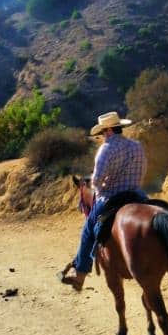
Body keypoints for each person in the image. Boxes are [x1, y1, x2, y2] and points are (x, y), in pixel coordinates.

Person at [61, 111, 147, 291]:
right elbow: (143, 170)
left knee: (88, 230)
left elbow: (97, 181)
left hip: (111, 197)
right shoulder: (136, 145)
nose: (101, 137)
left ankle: (80, 275)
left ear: (108, 130)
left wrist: (102, 187)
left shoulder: (106, 149)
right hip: (137, 194)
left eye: (101, 133)